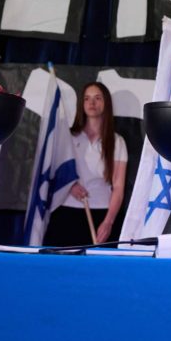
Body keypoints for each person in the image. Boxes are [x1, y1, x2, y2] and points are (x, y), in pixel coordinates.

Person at [44, 82, 128, 246]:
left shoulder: (117, 142)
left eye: (97, 98)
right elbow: (54, 172)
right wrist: (70, 185)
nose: (92, 103)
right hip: (67, 213)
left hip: (102, 215)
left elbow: (118, 187)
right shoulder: (68, 137)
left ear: (106, 103)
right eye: (87, 98)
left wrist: (108, 222)